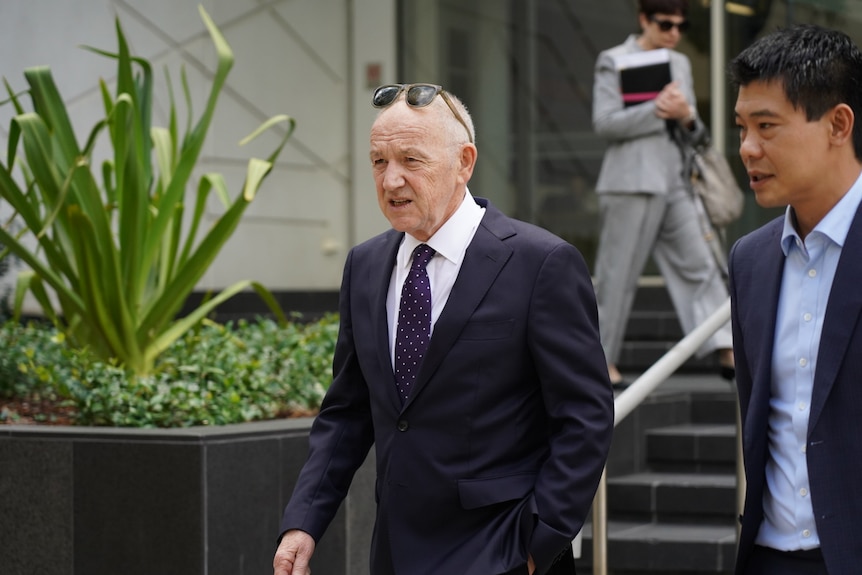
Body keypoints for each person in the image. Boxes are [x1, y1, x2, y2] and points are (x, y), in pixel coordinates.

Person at [272, 83, 615, 575]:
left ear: (464, 162)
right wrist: (304, 522)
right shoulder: (365, 265)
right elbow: (348, 412)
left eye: (411, 160)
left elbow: (585, 415)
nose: (391, 181)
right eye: (377, 162)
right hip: (395, 552)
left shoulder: (541, 263)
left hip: (505, 550)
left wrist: (540, 541)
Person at [728, 25, 862, 575]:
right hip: (769, 556)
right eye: (741, 128)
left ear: (838, 124)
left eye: (767, 127)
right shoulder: (750, 260)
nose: (747, 149)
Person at [592, 0, 735, 387]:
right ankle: (598, 361)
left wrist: (686, 114)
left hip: (676, 180)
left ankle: (726, 347)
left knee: (701, 263)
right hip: (630, 181)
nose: (673, 33)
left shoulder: (680, 64)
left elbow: (693, 130)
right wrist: (656, 109)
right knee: (615, 278)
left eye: (680, 26)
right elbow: (605, 124)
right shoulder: (613, 59)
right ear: (644, 20)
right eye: (665, 24)